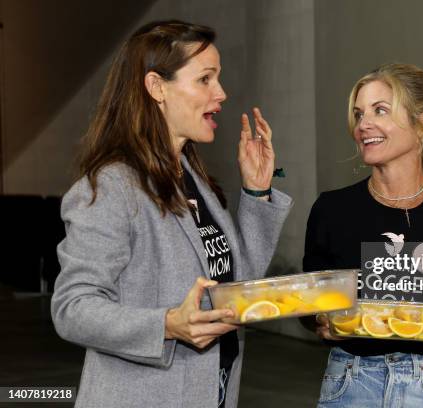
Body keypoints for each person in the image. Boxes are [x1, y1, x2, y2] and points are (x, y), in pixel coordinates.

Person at [50, 20, 292, 408]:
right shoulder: (112, 187)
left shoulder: (193, 179)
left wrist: (257, 190)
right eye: (205, 79)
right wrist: (165, 325)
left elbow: (234, 290)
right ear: (156, 87)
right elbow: (72, 308)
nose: (222, 93)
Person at [303, 63, 423, 408]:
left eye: (380, 110)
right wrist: (320, 318)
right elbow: (310, 304)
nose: (363, 125)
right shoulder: (332, 210)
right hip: (350, 382)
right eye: (359, 114)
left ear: (422, 123)